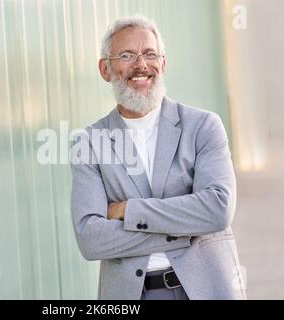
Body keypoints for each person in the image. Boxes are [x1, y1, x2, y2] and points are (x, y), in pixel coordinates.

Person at [70, 15, 246, 300]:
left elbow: (218, 209)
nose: (141, 65)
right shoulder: (88, 143)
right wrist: (189, 229)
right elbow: (91, 239)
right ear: (105, 69)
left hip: (207, 289)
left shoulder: (203, 126)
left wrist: (129, 210)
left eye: (150, 54)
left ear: (162, 64)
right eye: (127, 55)